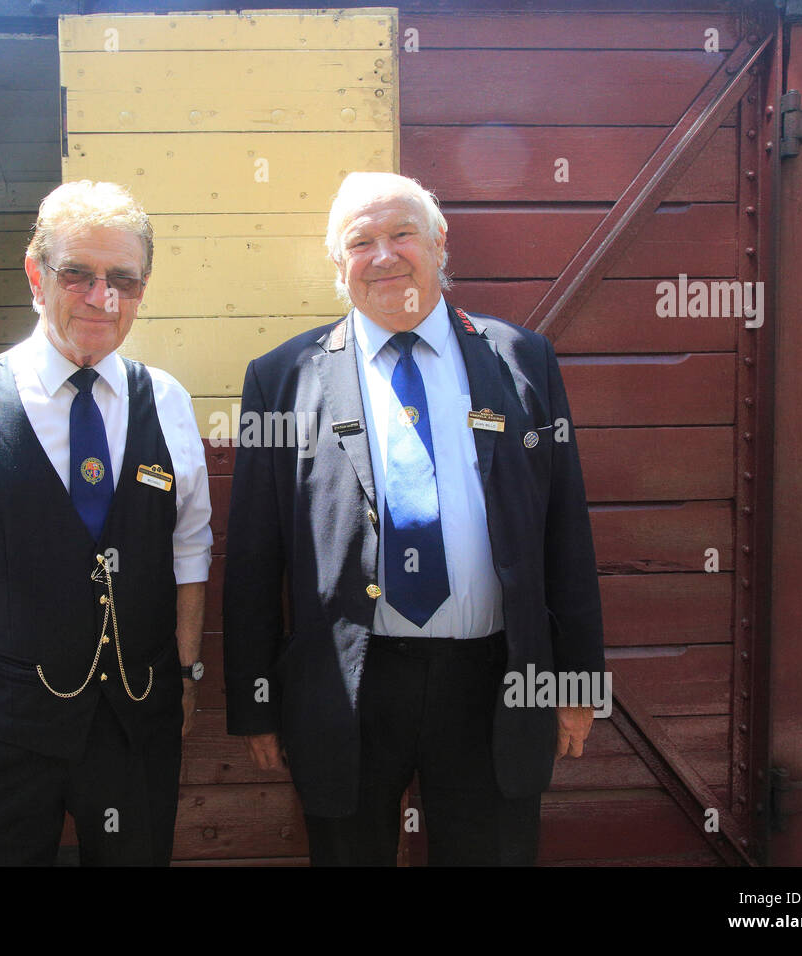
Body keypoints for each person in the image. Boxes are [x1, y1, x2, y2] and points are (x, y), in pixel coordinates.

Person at [223, 171, 605, 866]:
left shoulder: (522, 359)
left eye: (401, 234)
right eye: (360, 241)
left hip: (493, 682)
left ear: (438, 242)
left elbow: (565, 536)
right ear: (338, 263)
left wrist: (576, 683)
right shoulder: (282, 379)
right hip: (348, 688)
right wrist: (255, 703)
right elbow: (253, 557)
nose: (384, 255)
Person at [0, 180, 211, 866]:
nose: (102, 297)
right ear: (35, 274)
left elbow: (188, 552)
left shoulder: (167, 401)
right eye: (77, 274)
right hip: (6, 733)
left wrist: (185, 674)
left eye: (125, 280)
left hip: (134, 729)